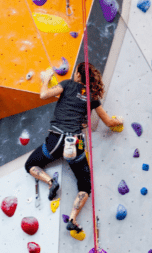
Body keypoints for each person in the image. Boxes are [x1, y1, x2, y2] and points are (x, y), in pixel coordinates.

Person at [24, 62, 122, 235]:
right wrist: (119, 121)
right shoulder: (92, 97)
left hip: (55, 140)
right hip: (75, 144)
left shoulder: (67, 85)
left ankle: (50, 182)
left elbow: (44, 95)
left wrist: (46, 79)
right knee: (85, 187)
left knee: (30, 165)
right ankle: (72, 219)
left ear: (77, 74)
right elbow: (108, 122)